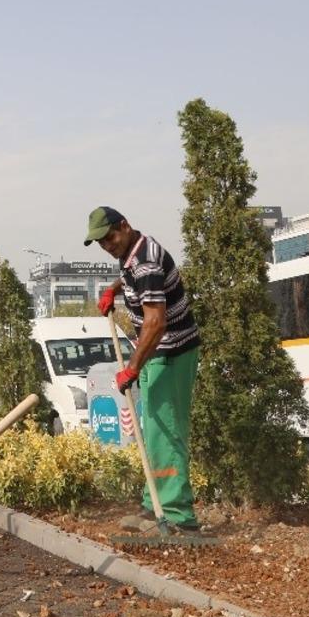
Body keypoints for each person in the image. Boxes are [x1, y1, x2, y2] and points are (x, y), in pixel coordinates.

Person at [84, 206, 202, 532]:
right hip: (156, 355)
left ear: (124, 225)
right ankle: (155, 506)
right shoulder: (131, 255)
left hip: (172, 353)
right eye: (100, 243)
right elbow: (131, 276)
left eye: (109, 237)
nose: (107, 245)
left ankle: (179, 517)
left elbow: (156, 321)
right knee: (152, 432)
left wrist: (132, 368)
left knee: (167, 433)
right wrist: (113, 289)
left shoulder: (146, 260)